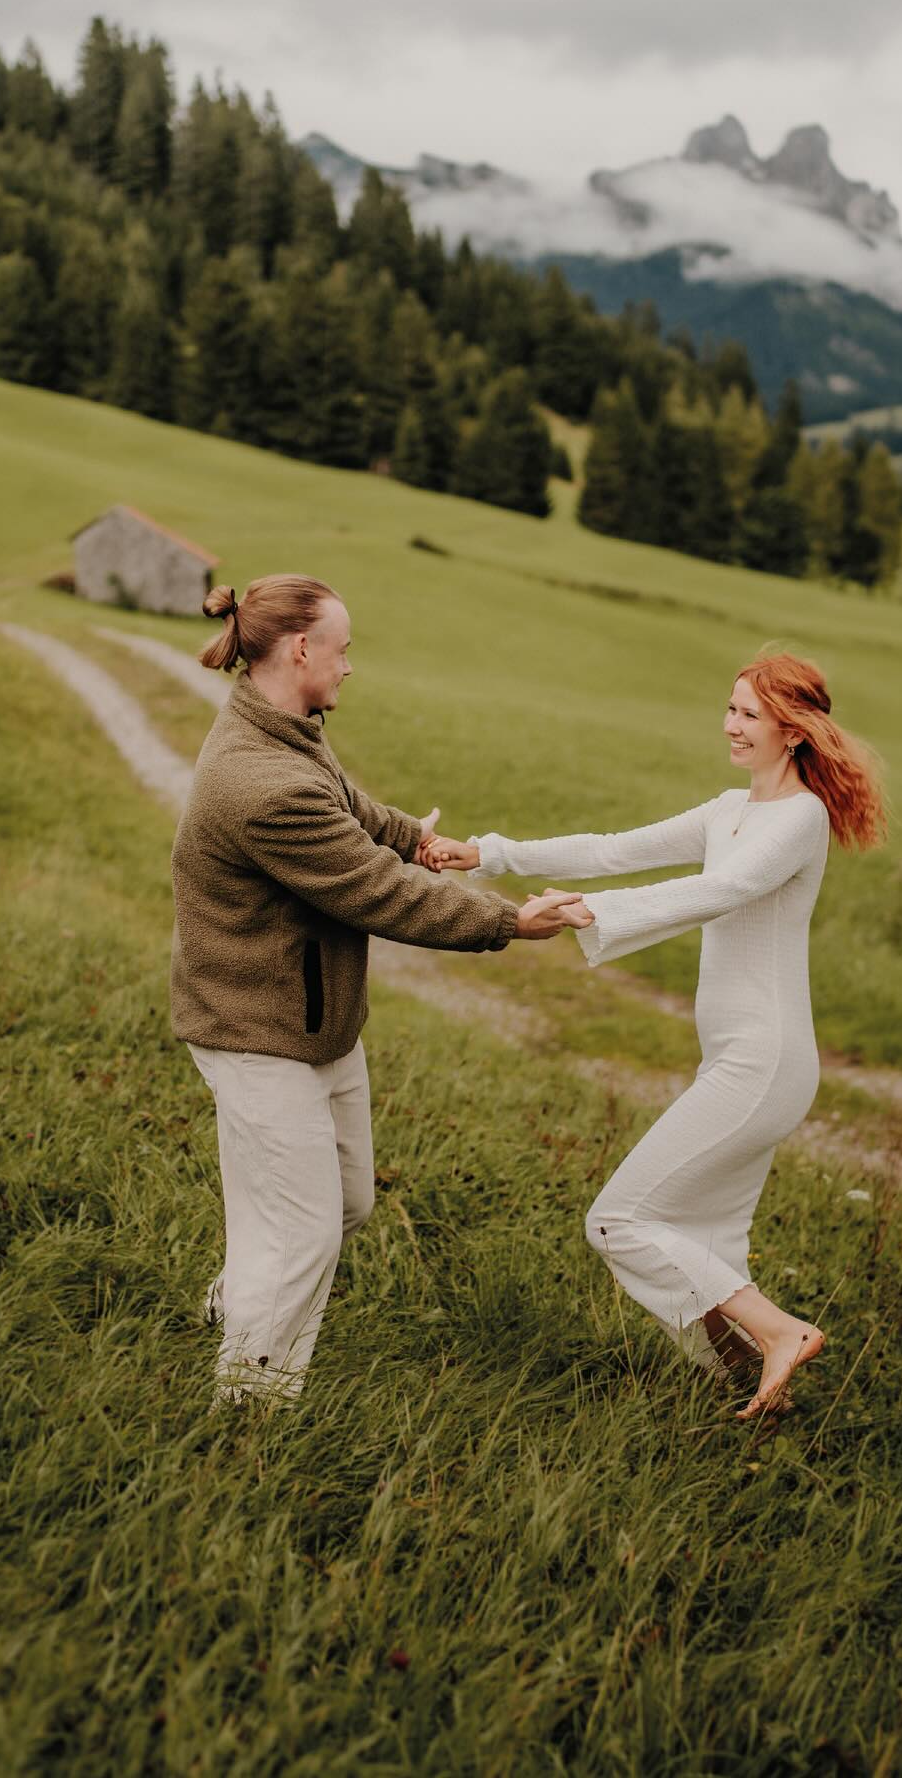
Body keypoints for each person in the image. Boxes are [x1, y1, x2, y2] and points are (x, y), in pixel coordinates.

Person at [424, 652, 885, 1419]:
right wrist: (487, 854)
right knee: (704, 1241)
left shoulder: (799, 819)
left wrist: (598, 912)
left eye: (750, 714)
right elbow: (612, 848)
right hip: (743, 1062)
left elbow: (725, 889)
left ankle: (782, 1333)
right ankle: (752, 1397)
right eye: (730, 708)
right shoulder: (727, 811)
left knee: (619, 1220)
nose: (732, 725)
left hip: (763, 1064)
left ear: (794, 732)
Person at [171, 575, 588, 1405]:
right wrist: (507, 924)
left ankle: (236, 1305)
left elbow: (349, 806)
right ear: (300, 650)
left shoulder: (285, 725)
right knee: (303, 1232)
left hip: (315, 1022)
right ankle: (248, 1411)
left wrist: (415, 838)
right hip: (255, 1031)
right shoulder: (262, 787)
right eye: (343, 649)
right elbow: (379, 892)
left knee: (346, 1202)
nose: (349, 666)